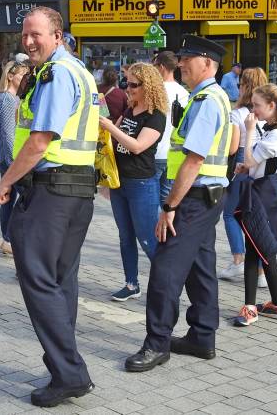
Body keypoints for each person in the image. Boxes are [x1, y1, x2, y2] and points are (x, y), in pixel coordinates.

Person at [0, 6, 98, 408]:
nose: (29, 41)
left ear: (58, 35)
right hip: (76, 189)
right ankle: (62, 367)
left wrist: (6, 181)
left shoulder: (56, 74)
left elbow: (39, 141)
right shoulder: (81, 73)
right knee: (60, 280)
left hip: (52, 192)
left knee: (37, 279)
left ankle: (70, 373)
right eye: (24, 35)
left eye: (36, 34)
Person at [124, 35, 231, 372]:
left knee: (166, 270)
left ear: (207, 63)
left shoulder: (207, 101)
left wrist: (169, 207)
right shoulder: (212, 96)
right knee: (201, 267)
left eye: (188, 59)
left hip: (193, 198)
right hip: (208, 196)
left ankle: (156, 344)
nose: (182, 64)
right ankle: (202, 336)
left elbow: (193, 160)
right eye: (182, 58)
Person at [233, 84, 277, 326]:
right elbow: (255, 163)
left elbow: (250, 159)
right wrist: (247, 167)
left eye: (257, 105)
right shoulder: (275, 129)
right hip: (266, 191)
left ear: (272, 106)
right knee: (263, 248)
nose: (254, 109)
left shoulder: (276, 134)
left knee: (257, 248)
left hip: (264, 195)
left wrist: (248, 129)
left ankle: (250, 308)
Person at [99, 63, 167, 301]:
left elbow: (137, 146)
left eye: (134, 85)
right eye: (126, 82)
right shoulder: (131, 109)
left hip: (141, 184)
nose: (128, 88)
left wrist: (110, 127)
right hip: (120, 182)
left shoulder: (156, 116)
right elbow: (111, 140)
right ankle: (131, 284)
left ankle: (166, 285)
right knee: (125, 236)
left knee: (147, 239)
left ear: (148, 87)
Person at [218, 67, 268, 285]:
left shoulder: (238, 114)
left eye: (241, 84)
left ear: (245, 87)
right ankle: (261, 272)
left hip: (241, 164)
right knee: (255, 218)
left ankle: (238, 260)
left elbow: (231, 149)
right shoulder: (268, 114)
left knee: (230, 214)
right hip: (263, 169)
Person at [0, 59, 29, 255]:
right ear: (10, 76)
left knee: (9, 198)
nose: (24, 79)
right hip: (9, 158)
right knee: (18, 197)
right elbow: (8, 134)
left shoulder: (12, 98)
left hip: (7, 157)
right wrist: (15, 163)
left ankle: (7, 240)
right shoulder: (7, 99)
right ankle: (8, 239)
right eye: (21, 75)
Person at [152, 51, 189, 205]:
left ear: (161, 67)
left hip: (155, 151)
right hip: (174, 154)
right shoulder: (184, 93)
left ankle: (154, 229)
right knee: (167, 199)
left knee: (152, 201)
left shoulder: (155, 91)